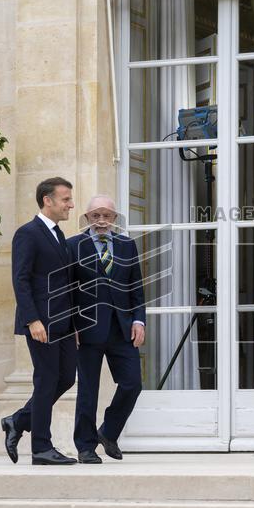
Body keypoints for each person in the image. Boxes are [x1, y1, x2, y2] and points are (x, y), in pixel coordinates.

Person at [1, 177, 79, 465]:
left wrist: (75, 325)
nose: (71, 204)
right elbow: (20, 280)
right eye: (66, 199)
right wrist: (33, 320)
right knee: (46, 380)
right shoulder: (28, 233)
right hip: (42, 322)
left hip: (64, 322)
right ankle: (41, 448)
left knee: (66, 378)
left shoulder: (59, 235)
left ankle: (18, 420)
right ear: (48, 200)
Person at [67, 195, 146, 464]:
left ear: (115, 218)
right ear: (87, 218)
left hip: (122, 329)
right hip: (86, 329)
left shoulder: (126, 245)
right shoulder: (73, 246)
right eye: (96, 215)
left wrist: (139, 320)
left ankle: (108, 432)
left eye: (107, 216)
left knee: (132, 383)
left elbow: (136, 287)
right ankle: (85, 447)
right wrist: (70, 325)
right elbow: (66, 291)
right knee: (87, 391)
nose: (102, 221)